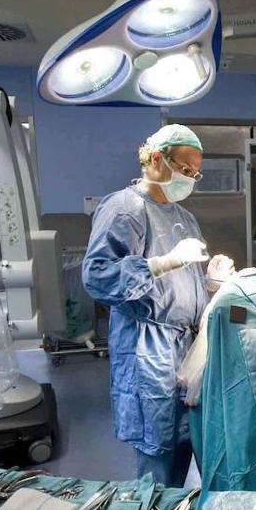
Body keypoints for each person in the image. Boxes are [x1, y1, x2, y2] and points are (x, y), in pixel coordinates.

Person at [83, 125, 235, 486]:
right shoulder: (125, 209)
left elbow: (183, 280)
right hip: (149, 349)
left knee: (188, 441)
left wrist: (210, 282)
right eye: (185, 170)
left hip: (186, 347)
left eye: (194, 173)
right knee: (159, 457)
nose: (190, 179)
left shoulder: (183, 216)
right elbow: (97, 277)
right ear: (155, 158)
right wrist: (161, 262)